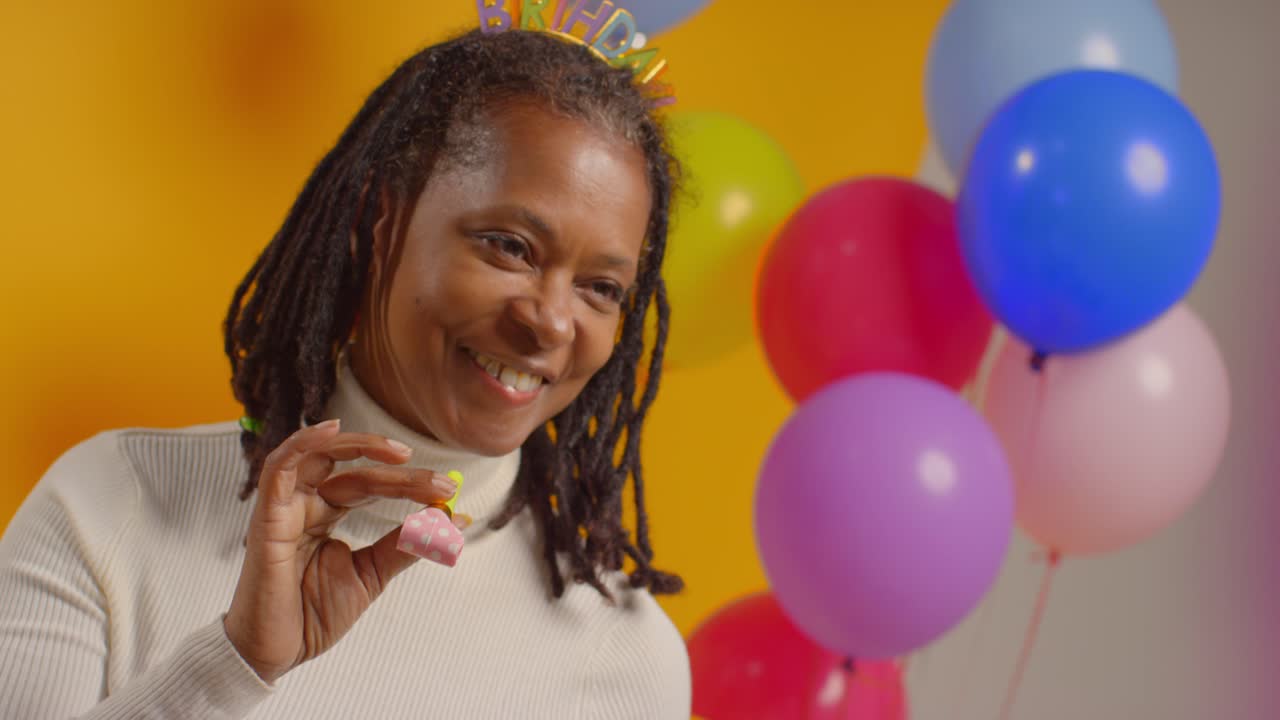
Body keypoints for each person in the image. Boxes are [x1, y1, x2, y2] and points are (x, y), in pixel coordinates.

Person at [0, 23, 690, 719]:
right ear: (376, 219)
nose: (552, 321)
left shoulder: (624, 660)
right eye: (510, 246)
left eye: (602, 288)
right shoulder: (111, 509)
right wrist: (233, 663)